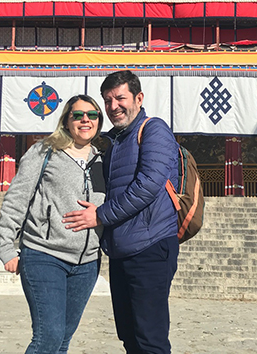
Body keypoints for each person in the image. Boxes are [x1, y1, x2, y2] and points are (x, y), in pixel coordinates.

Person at [63, 70, 180, 354]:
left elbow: (148, 185)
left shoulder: (153, 129)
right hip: (121, 248)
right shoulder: (116, 140)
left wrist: (100, 215)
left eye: (120, 98)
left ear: (138, 98)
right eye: (108, 100)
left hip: (150, 246)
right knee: (129, 336)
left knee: (149, 338)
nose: (113, 106)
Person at [0, 94, 106, 354]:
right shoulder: (44, 150)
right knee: (48, 337)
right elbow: (17, 198)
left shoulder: (104, 158)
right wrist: (6, 247)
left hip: (87, 262)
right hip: (45, 254)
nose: (85, 120)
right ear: (66, 120)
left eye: (92, 115)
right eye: (77, 115)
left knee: (63, 340)